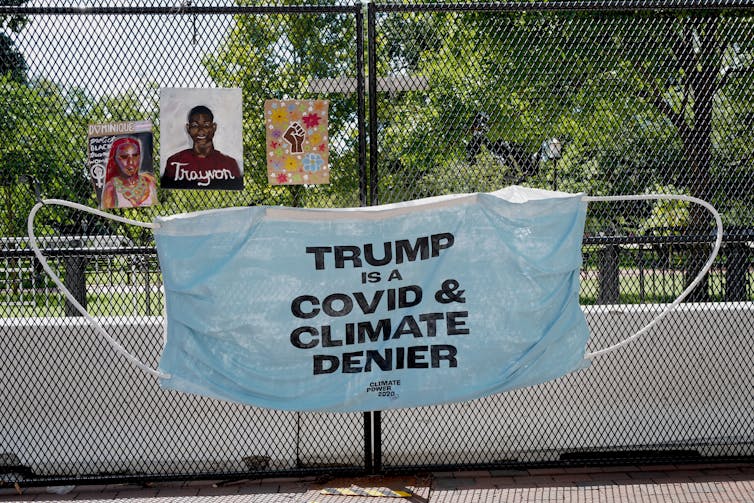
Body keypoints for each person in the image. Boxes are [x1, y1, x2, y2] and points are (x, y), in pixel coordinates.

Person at [161, 105, 243, 190]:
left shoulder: (230, 164)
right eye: (195, 125)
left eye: (206, 125)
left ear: (214, 127)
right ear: (188, 128)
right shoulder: (174, 162)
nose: (200, 131)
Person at [101, 136, 158, 209]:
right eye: (124, 157)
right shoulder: (111, 188)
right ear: (114, 159)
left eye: (135, 155)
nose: (131, 162)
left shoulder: (149, 181)